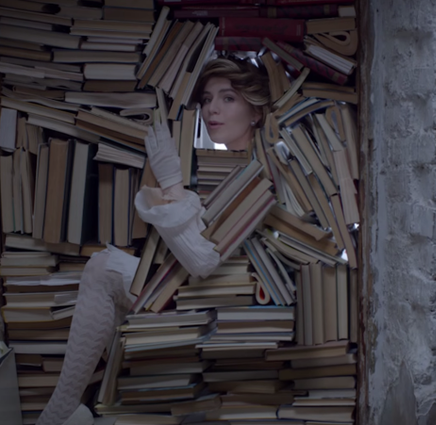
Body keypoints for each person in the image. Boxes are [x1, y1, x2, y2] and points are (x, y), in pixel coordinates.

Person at [34, 56, 271, 425]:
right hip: (203, 290)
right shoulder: (223, 165)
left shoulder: (260, 169)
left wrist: (172, 185)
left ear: (255, 111)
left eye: (228, 98)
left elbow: (204, 260)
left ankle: (68, 412)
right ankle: (104, 405)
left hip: (232, 306)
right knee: (105, 272)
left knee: (103, 270)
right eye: (207, 99)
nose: (212, 109)